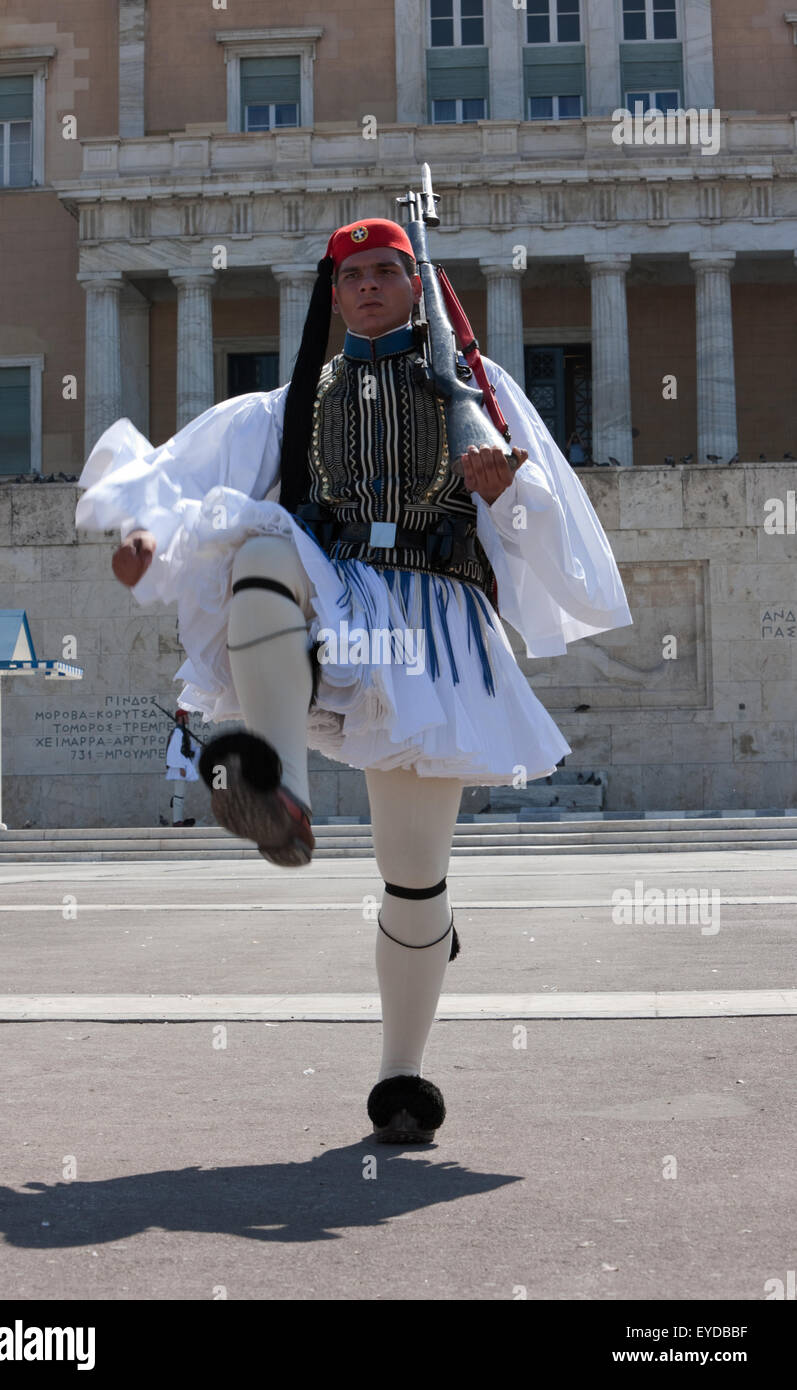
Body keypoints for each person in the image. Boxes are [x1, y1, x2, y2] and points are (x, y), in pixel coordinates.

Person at [76, 216, 632, 1144]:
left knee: (413, 882)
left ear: (415, 286)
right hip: (335, 603)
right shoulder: (296, 403)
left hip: (427, 638)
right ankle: (276, 786)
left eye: (385, 272)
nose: (369, 287)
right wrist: (148, 541)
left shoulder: (476, 391)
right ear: (334, 297)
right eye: (353, 277)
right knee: (258, 543)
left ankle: (401, 1077)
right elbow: (183, 481)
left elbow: (550, 523)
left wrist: (503, 489)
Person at [165, 708, 199, 826]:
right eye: (186, 716)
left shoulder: (183, 732)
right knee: (179, 795)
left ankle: (176, 809)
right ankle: (176, 821)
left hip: (182, 766)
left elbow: (192, 750)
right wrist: (181, 767)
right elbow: (174, 751)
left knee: (180, 794)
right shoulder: (178, 732)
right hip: (179, 768)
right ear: (181, 718)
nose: (188, 719)